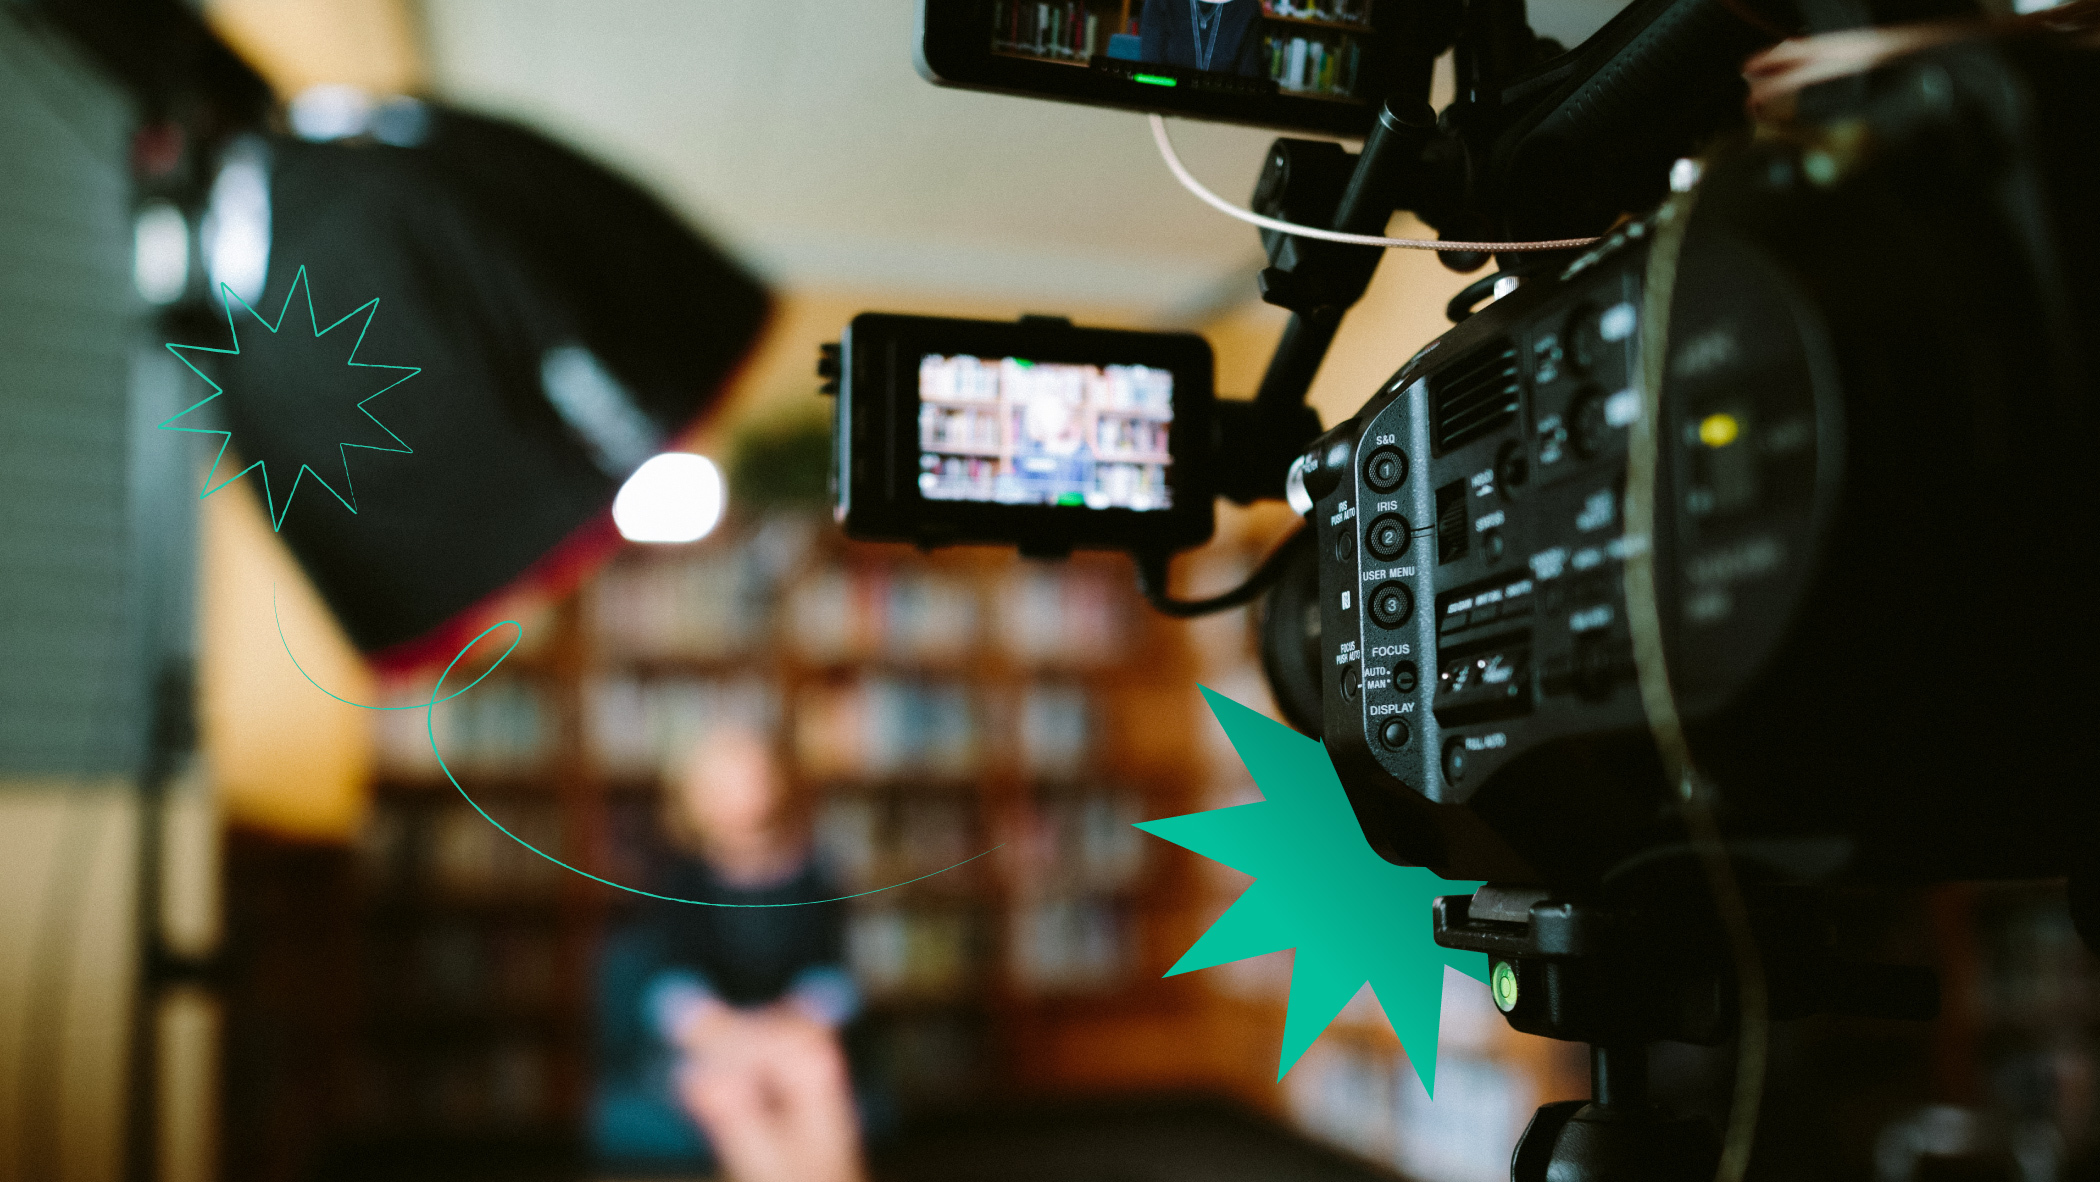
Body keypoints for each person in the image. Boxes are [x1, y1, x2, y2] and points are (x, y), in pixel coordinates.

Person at [592, 723, 866, 1182]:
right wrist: (730, 1037)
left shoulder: (815, 873)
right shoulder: (676, 880)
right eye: (715, 784)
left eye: (745, 778)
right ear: (690, 797)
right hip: (704, 1044)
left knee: (817, 1072)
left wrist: (790, 1024)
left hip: (792, 1034)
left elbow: (834, 978)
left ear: (771, 784)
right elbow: (668, 989)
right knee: (729, 1093)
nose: (732, 795)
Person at [1139, 0, 1269, 77]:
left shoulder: (1249, 8)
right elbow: (1151, 75)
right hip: (1165, 111)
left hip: (1223, 116)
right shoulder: (1159, 2)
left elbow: (1248, 84)